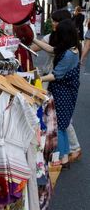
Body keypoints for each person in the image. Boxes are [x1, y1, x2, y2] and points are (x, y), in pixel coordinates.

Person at [31, 9, 82, 163]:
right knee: (63, 123)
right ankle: (65, 157)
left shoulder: (69, 54)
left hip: (64, 92)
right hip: (63, 90)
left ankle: (60, 157)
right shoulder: (70, 47)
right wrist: (32, 39)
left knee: (59, 125)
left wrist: (38, 78)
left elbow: (56, 75)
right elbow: (51, 49)